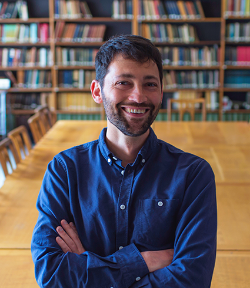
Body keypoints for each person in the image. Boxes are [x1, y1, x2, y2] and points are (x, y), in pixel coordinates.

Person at [31, 35, 217, 288]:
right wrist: (143, 262)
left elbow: (192, 279)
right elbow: (51, 275)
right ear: (97, 91)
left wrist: (88, 267)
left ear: (161, 92)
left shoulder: (193, 174)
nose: (138, 96)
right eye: (123, 83)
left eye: (150, 84)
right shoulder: (64, 170)